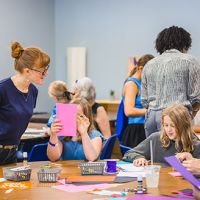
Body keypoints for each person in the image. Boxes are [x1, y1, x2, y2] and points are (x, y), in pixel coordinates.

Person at [141, 26, 200, 137]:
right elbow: (196, 98)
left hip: (152, 117)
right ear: (185, 43)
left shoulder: (149, 64)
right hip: (176, 117)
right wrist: (189, 117)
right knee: (176, 154)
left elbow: (144, 101)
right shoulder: (190, 61)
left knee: (155, 153)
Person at [0, 41, 50, 165]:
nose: (46, 73)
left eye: (46, 69)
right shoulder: (2, 89)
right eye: (42, 70)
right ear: (27, 71)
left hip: (12, 151)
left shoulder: (33, 91)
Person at [122, 104, 200, 166]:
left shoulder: (195, 144)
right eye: (166, 125)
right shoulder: (156, 138)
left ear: (183, 125)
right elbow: (128, 154)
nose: (169, 130)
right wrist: (139, 158)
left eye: (173, 126)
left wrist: (191, 160)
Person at [121, 54, 154, 148]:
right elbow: (129, 111)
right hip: (135, 130)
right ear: (141, 68)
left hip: (144, 127)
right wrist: (150, 111)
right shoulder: (132, 84)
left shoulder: (142, 84)